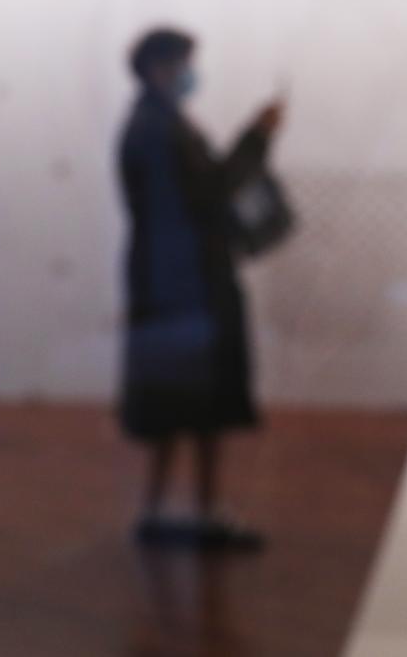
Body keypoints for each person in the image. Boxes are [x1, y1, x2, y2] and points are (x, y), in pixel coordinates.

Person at [118, 27, 284, 549]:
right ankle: (198, 514)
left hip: (177, 284)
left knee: (180, 406)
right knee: (197, 404)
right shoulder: (156, 129)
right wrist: (257, 137)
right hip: (186, 288)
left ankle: (166, 511)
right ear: (158, 67)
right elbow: (210, 193)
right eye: (184, 63)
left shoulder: (157, 123)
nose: (191, 74)